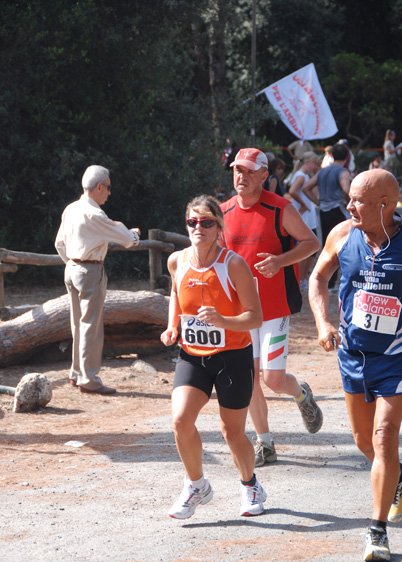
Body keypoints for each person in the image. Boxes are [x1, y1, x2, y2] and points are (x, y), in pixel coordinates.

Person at [308, 168, 402, 562]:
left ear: (385, 204)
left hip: (396, 359)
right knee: (364, 442)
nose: (349, 206)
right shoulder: (343, 234)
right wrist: (323, 321)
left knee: (382, 438)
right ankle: (396, 479)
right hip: (352, 356)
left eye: (358, 200)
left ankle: (377, 532)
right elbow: (317, 278)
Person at [160, 195, 266, 519]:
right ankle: (196, 485)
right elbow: (176, 293)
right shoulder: (177, 261)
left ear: (219, 226)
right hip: (193, 356)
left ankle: (250, 485)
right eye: (192, 222)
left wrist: (223, 321)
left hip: (233, 355)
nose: (198, 228)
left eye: (206, 222)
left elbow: (255, 317)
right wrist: (171, 326)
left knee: (231, 432)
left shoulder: (232, 264)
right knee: (180, 421)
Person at [220, 148, 323, 468]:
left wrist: (279, 261)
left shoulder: (280, 208)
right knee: (249, 378)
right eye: (238, 170)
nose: (242, 176)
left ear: (265, 176)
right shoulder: (222, 211)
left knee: (273, 379)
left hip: (274, 310)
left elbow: (312, 243)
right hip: (240, 312)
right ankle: (265, 443)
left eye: (249, 172)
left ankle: (301, 393)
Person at [55, 165, 140, 395]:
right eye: (108, 188)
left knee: (77, 324)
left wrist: (72, 263)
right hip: (89, 271)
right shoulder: (94, 213)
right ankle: (89, 378)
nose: (109, 193)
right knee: (90, 326)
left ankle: (76, 373)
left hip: (71, 269)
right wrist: (135, 236)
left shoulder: (71, 208)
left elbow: (59, 244)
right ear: (99, 187)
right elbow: (124, 237)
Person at [303, 142, 351, 290]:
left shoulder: (322, 172)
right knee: (344, 245)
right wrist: (349, 202)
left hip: (323, 211)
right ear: (347, 157)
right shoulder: (343, 172)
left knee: (327, 246)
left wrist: (317, 201)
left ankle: (327, 282)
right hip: (338, 210)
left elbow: (306, 188)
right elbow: (346, 189)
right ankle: (341, 281)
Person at [288, 152, 321, 289]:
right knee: (307, 248)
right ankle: (301, 279)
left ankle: (302, 278)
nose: (315, 166)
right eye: (314, 163)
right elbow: (293, 191)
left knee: (310, 250)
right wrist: (304, 204)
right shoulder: (301, 176)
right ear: (308, 162)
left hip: (307, 217)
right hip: (305, 218)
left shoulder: (301, 175)